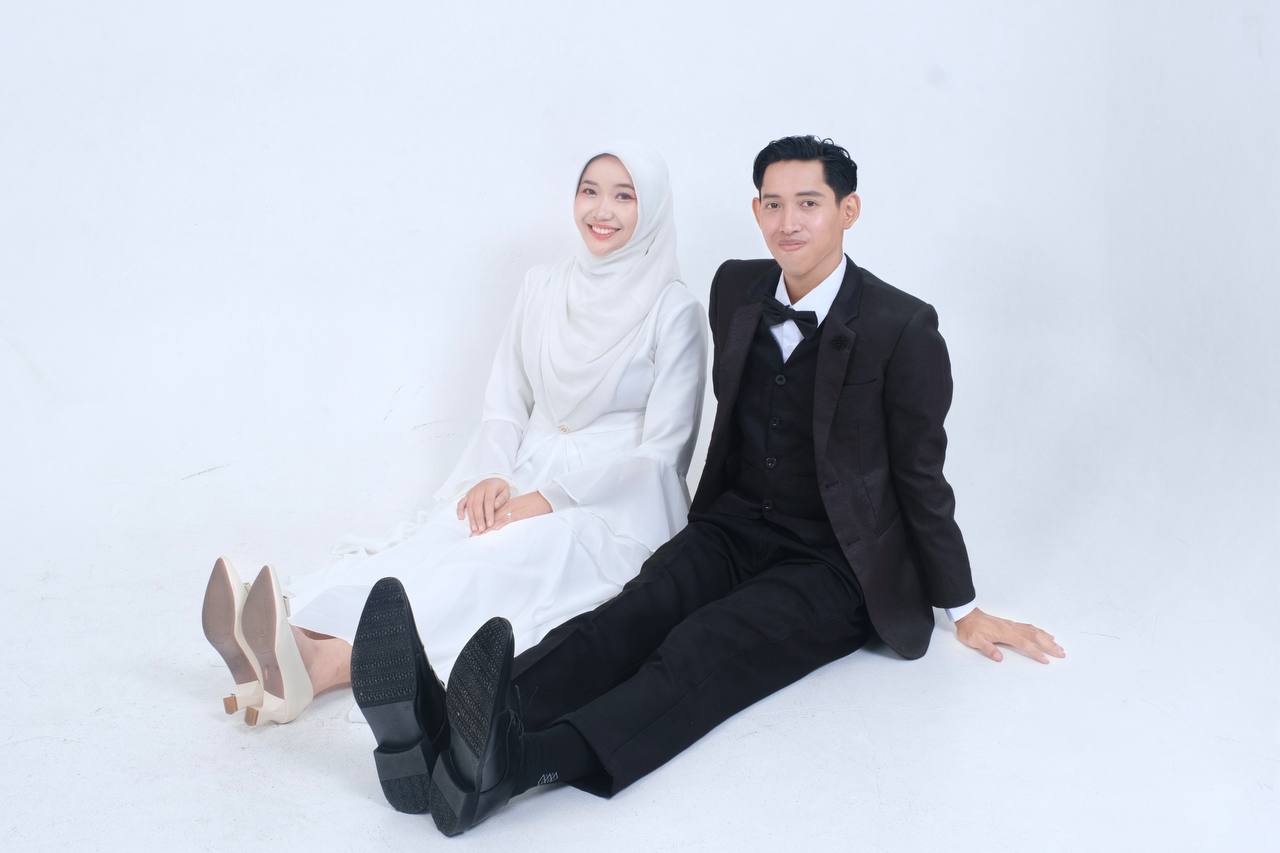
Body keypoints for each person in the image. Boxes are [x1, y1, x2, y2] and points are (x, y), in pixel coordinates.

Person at [353, 134, 1068, 836]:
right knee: (632, 612)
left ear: (848, 210)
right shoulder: (735, 288)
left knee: (703, 647)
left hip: (832, 563)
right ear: (756, 211)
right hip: (732, 525)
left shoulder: (902, 325)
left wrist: (962, 606)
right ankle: (447, 725)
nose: (788, 221)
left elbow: (920, 474)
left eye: (809, 203)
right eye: (772, 203)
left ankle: (519, 766)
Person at [200, 145, 709, 813]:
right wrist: (494, 475)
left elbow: (662, 456)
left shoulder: (675, 311)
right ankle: (294, 643)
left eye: (625, 194)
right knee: (439, 543)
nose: (602, 210)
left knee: (496, 561)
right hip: (522, 475)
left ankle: (318, 665)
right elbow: (506, 404)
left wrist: (549, 499)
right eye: (590, 190)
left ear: (654, 208)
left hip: (611, 509)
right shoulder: (543, 287)